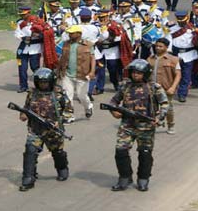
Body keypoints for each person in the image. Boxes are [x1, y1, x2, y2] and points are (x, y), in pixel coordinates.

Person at [107, 59, 168, 192]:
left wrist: (159, 117)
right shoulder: (125, 86)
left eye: (139, 73)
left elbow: (164, 104)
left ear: (145, 74)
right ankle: (124, 177)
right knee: (120, 151)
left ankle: (143, 179)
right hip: (127, 126)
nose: (135, 75)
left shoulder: (154, 87)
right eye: (134, 72)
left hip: (146, 127)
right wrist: (114, 111)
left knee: (145, 154)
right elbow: (113, 101)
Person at [18, 68, 72, 191]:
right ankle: (28, 177)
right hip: (35, 129)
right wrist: (23, 115)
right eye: (40, 82)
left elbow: (69, 112)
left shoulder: (59, 94)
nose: (43, 85)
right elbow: (26, 108)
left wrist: (60, 122)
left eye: (45, 82)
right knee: (30, 151)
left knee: (57, 152)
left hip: (53, 131)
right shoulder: (32, 94)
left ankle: (62, 168)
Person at [57, 25, 96, 120]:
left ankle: (88, 107)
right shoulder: (65, 44)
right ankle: (69, 116)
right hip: (67, 74)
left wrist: (92, 72)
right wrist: (58, 71)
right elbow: (61, 57)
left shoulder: (88, 45)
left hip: (82, 75)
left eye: (72, 33)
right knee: (67, 96)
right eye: (69, 33)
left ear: (79, 34)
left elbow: (93, 58)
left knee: (81, 96)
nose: (70, 35)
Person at [147, 38, 180, 134]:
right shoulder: (150, 59)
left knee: (168, 109)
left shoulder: (173, 59)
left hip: (166, 89)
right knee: (152, 108)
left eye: (160, 46)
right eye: (156, 46)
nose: (158, 48)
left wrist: (173, 87)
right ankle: (153, 124)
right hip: (152, 88)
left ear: (166, 47)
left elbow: (178, 74)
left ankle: (171, 125)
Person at [168, 11, 198, 102]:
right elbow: (168, 39)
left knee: (186, 75)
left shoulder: (192, 28)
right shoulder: (172, 28)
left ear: (186, 18)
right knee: (174, 73)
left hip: (188, 55)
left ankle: (182, 94)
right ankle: (172, 89)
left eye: (182, 18)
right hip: (175, 54)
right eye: (179, 19)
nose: (181, 21)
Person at [15, 7, 43, 93]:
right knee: (22, 68)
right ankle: (23, 86)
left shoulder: (37, 21)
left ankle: (39, 86)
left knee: (35, 68)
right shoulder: (20, 23)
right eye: (21, 15)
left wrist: (37, 36)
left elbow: (43, 32)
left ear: (29, 13)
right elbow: (17, 33)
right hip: (23, 48)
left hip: (35, 48)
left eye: (24, 14)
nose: (23, 16)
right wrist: (23, 38)